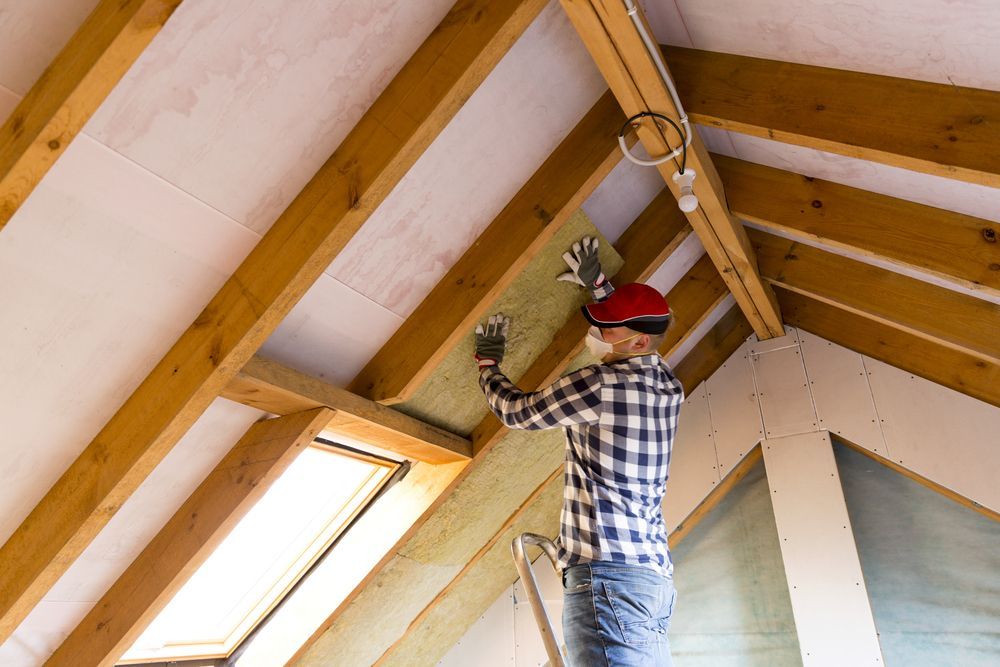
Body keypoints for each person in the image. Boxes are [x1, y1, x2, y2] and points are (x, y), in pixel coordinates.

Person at [474, 236, 684, 666]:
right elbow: (637, 328)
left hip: (607, 581)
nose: (598, 334)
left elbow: (518, 412)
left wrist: (487, 367)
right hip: (650, 580)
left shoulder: (600, 385)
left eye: (608, 328)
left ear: (640, 343)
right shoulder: (668, 385)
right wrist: (602, 289)